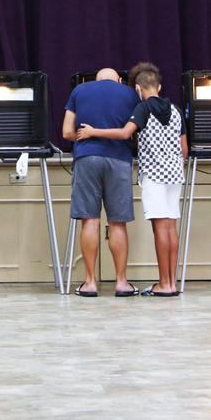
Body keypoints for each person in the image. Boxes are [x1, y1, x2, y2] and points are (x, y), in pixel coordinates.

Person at [77, 63, 186, 297]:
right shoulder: (176, 109)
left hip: (154, 175)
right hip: (175, 174)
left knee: (159, 228)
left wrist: (93, 131)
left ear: (137, 88)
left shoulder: (143, 108)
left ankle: (164, 284)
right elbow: (183, 148)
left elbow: (125, 133)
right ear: (160, 85)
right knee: (171, 226)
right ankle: (172, 282)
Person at [62, 68, 140, 297]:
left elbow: (67, 131)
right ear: (118, 80)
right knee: (118, 223)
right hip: (119, 160)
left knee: (90, 221)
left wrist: (90, 135)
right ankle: (122, 283)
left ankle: (89, 283)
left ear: (95, 80)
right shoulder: (129, 94)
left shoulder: (79, 90)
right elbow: (135, 131)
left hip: (87, 158)